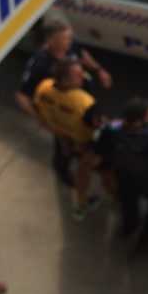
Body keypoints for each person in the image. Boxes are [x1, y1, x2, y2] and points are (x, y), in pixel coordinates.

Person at [15, 20, 112, 185]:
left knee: (87, 140)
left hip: (83, 106)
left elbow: (83, 54)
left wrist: (99, 70)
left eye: (70, 37)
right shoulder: (40, 64)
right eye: (65, 38)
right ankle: (63, 172)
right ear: (51, 40)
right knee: (64, 147)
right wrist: (41, 120)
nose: (70, 41)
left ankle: (86, 157)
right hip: (63, 115)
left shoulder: (70, 45)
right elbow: (22, 96)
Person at [33, 58, 106, 220]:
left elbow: (40, 113)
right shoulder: (84, 102)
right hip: (83, 143)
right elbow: (99, 127)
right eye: (78, 75)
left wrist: (59, 136)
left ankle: (66, 177)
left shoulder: (44, 87)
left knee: (62, 161)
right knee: (85, 171)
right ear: (65, 80)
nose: (83, 77)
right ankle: (82, 204)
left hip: (61, 137)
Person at [105, 96, 148, 260]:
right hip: (147, 177)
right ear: (141, 118)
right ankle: (145, 243)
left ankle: (129, 226)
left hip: (122, 173)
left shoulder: (112, 128)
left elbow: (107, 139)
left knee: (128, 199)